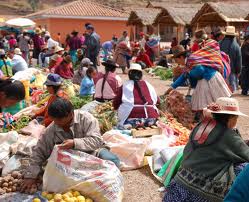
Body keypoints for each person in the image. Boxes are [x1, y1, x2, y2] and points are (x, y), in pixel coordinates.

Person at [21, 98, 120, 192]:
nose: (57, 123)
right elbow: (39, 152)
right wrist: (30, 176)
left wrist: (74, 143)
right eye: (54, 120)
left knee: (112, 161)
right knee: (53, 176)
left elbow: (96, 141)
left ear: (70, 114)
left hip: (92, 153)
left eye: (60, 120)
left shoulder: (86, 119)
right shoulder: (52, 129)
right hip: (69, 162)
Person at [163, 97, 249, 202]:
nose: (236, 121)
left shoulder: (201, 125)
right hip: (199, 192)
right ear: (231, 118)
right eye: (236, 118)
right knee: (243, 168)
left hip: (179, 184)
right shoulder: (228, 135)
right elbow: (246, 154)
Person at [166, 43, 231, 112]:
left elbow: (200, 70)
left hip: (209, 78)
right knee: (209, 104)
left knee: (211, 104)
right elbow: (183, 77)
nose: (177, 63)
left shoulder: (191, 60)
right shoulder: (188, 63)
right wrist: (172, 87)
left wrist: (190, 72)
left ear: (181, 57)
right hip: (206, 79)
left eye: (177, 60)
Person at [113, 63, 159, 129]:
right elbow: (157, 101)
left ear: (129, 74)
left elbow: (116, 102)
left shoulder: (125, 86)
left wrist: (116, 109)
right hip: (151, 117)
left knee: (121, 125)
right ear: (141, 74)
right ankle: (148, 123)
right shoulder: (149, 85)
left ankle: (130, 125)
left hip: (133, 118)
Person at [220, 26, 242, 92]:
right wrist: (238, 71)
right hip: (232, 71)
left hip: (220, 70)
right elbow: (239, 61)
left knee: (221, 89)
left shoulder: (219, 44)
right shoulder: (236, 46)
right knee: (231, 91)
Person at [240, 31, 249, 95]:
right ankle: (244, 91)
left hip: (246, 65)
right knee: (245, 78)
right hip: (245, 65)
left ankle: (245, 90)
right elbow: (245, 54)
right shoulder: (245, 45)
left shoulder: (245, 45)